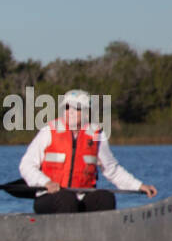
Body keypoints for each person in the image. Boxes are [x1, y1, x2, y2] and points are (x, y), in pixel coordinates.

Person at [18, 89, 156, 214]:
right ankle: (66, 239)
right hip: (49, 197)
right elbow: (26, 165)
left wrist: (139, 186)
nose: (70, 111)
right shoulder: (48, 131)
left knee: (105, 197)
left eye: (76, 108)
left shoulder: (96, 135)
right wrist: (45, 183)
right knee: (66, 199)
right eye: (67, 107)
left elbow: (112, 170)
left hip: (81, 197)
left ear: (86, 112)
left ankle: (102, 238)